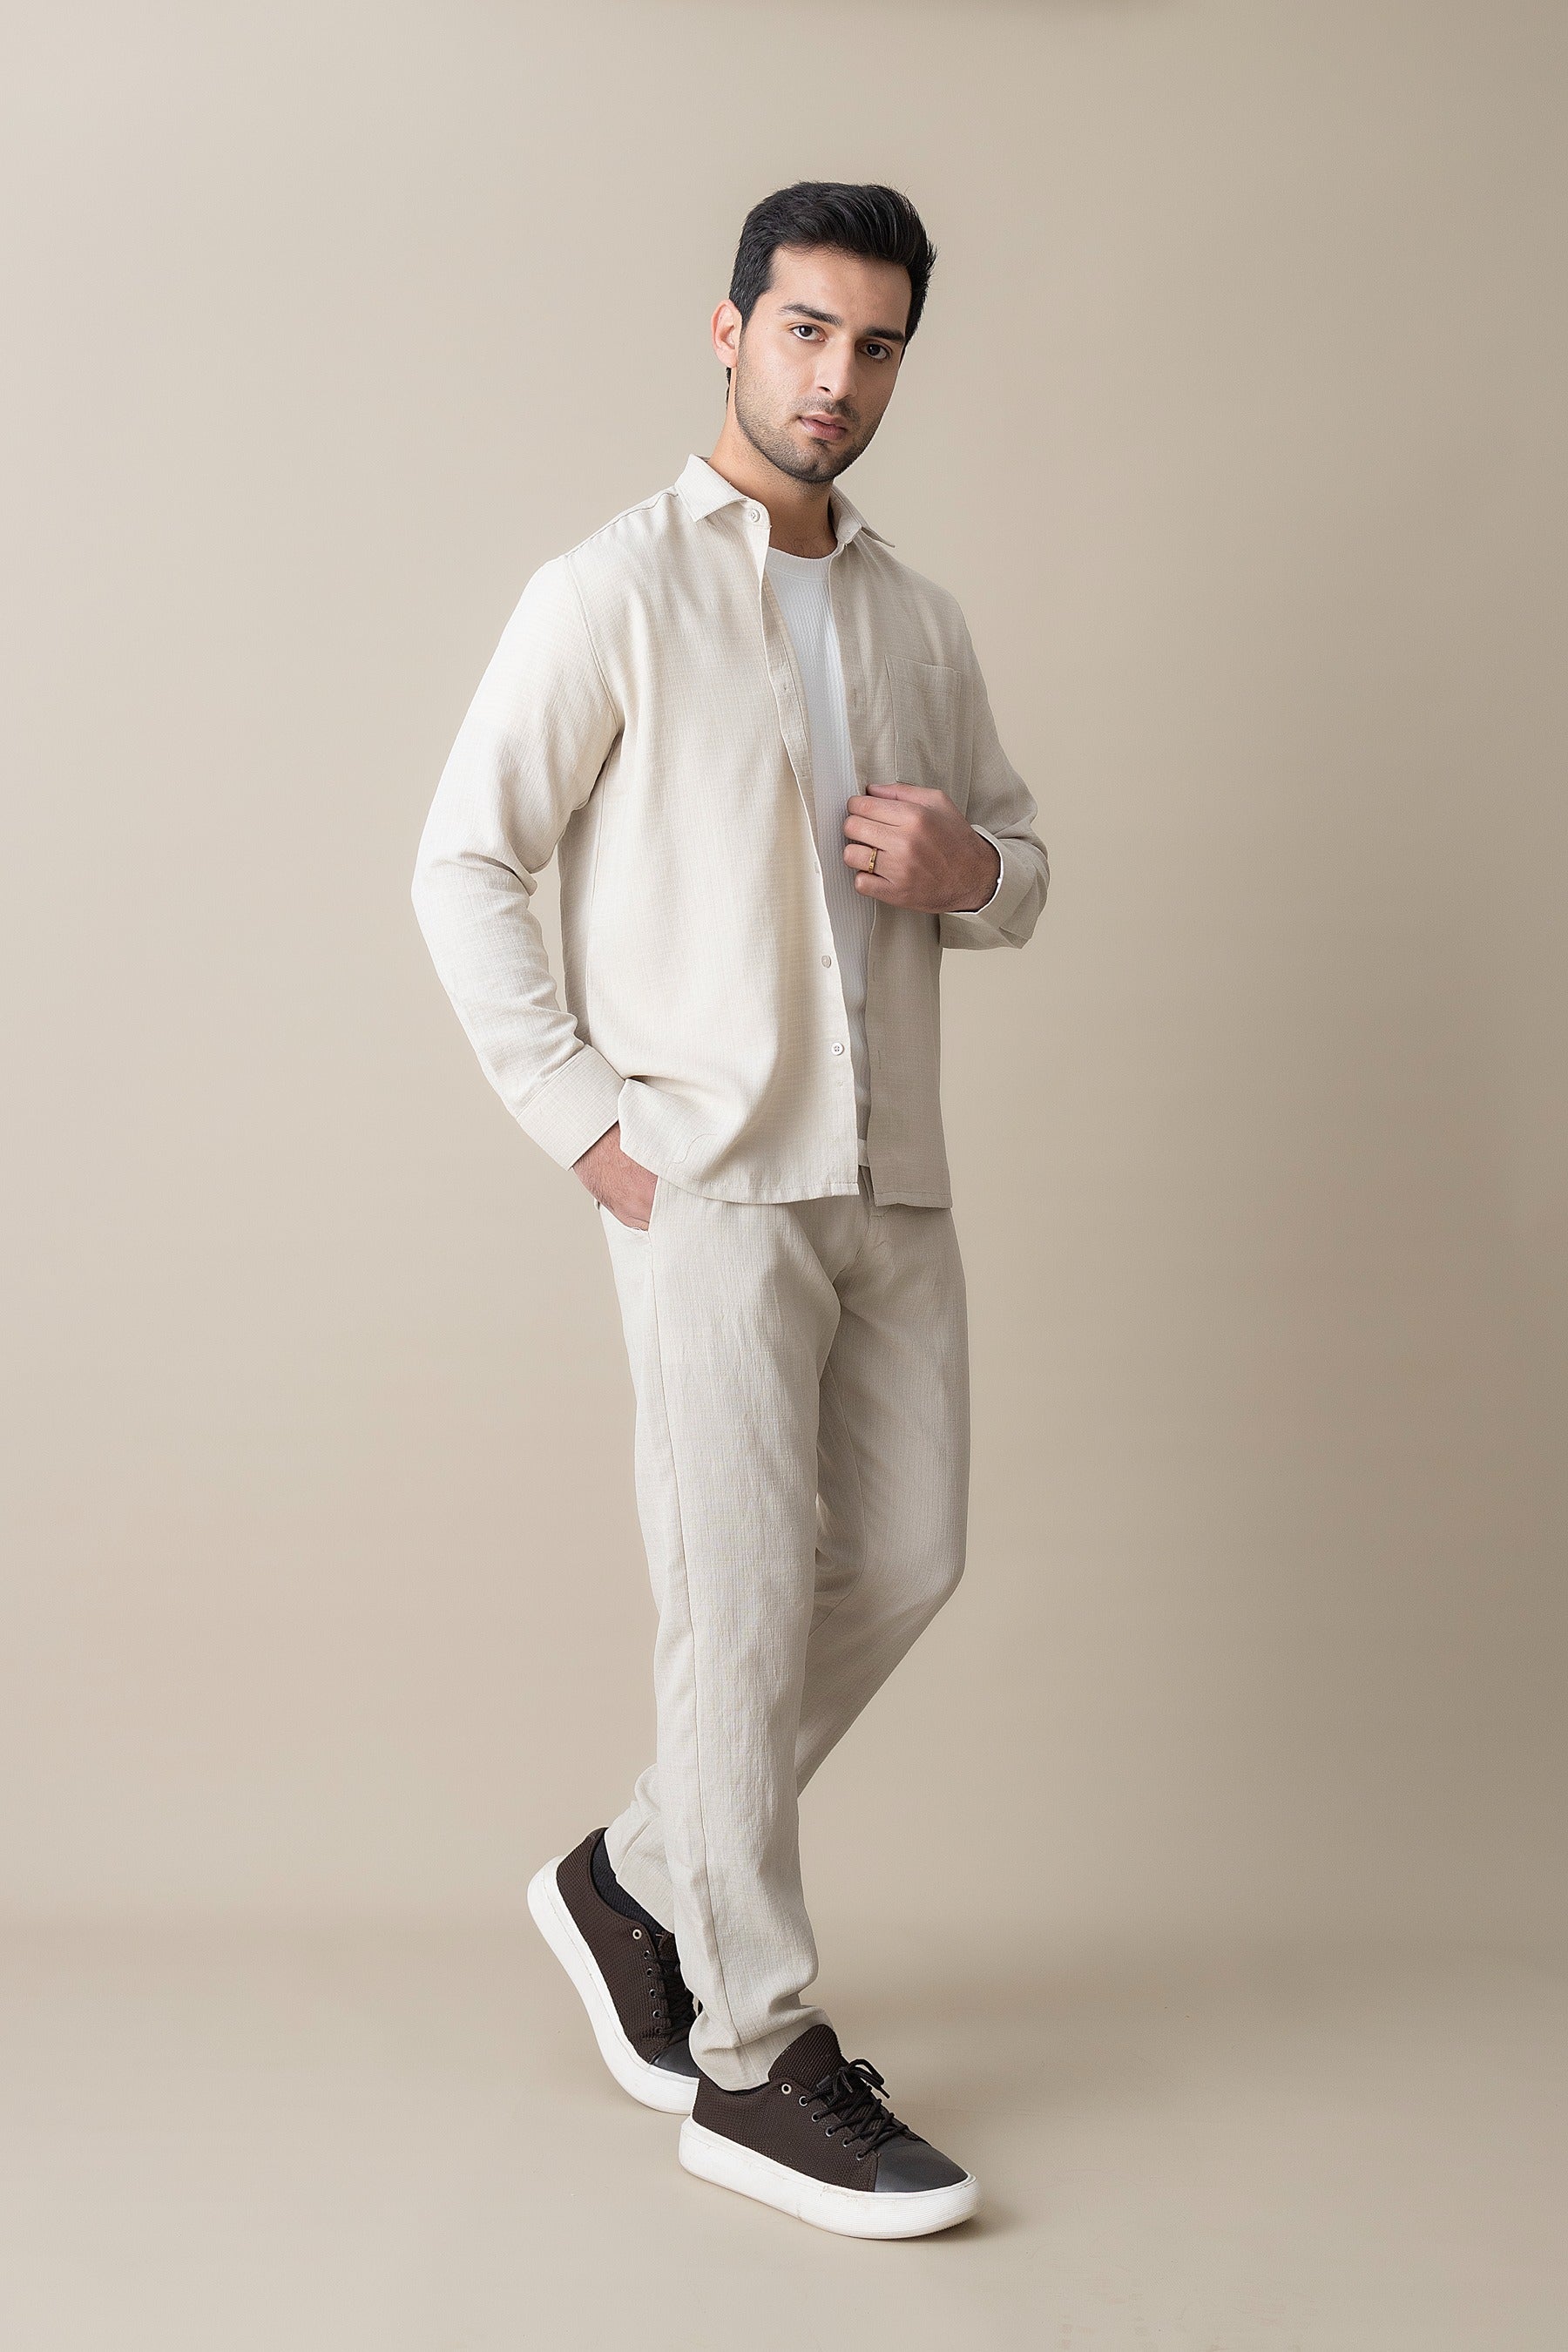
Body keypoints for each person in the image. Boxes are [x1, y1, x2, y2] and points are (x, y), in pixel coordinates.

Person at [411, 179, 1050, 2239]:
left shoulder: (917, 618)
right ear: (729, 330)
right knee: (741, 1598)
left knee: (912, 1556)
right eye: (804, 330)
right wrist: (584, 1122)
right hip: (704, 1178)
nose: (835, 376)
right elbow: (463, 863)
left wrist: (970, 873)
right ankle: (755, 2056)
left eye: (874, 345)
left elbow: (1017, 856)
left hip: (895, 1172)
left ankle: (634, 1871)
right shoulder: (608, 589)